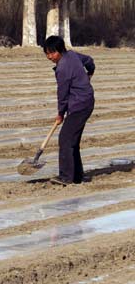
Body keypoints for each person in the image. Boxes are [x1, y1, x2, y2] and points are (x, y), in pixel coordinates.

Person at [43, 35, 95, 186]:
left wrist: (60, 113)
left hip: (79, 105)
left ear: (59, 51)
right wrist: (89, 74)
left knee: (65, 139)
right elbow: (90, 61)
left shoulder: (62, 68)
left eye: (52, 53)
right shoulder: (73, 55)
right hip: (87, 102)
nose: (49, 56)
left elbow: (63, 94)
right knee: (73, 140)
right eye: (47, 53)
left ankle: (66, 177)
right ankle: (77, 175)